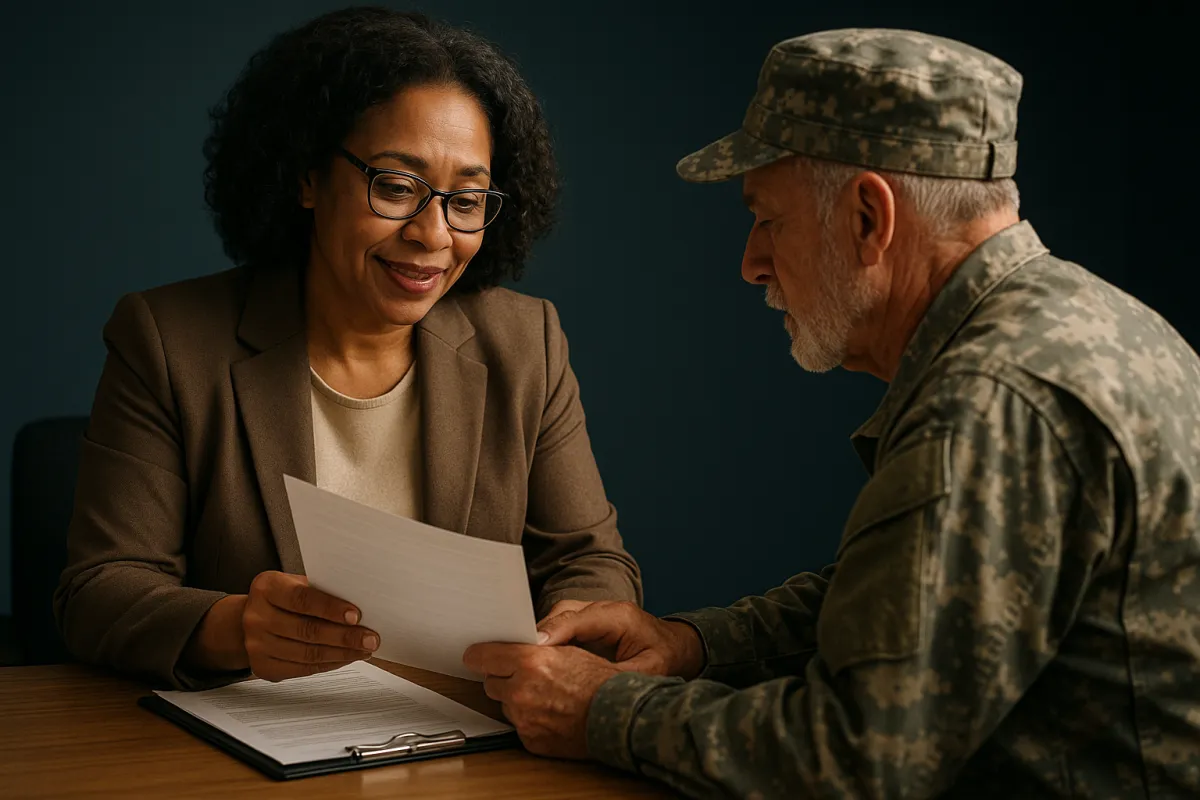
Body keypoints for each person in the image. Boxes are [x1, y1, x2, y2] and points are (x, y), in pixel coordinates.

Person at [463, 28, 1200, 798]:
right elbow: (912, 609)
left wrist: (601, 709)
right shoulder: (1091, 323)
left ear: (869, 217)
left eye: (768, 219)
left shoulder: (992, 399)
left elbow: (857, 759)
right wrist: (690, 645)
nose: (751, 263)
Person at [54, 7, 642, 691]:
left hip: (465, 727)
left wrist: (555, 643)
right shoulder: (169, 340)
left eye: (466, 200)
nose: (433, 234)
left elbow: (590, 563)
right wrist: (236, 628)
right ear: (307, 177)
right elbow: (99, 591)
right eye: (395, 186)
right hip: (256, 733)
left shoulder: (525, 341)